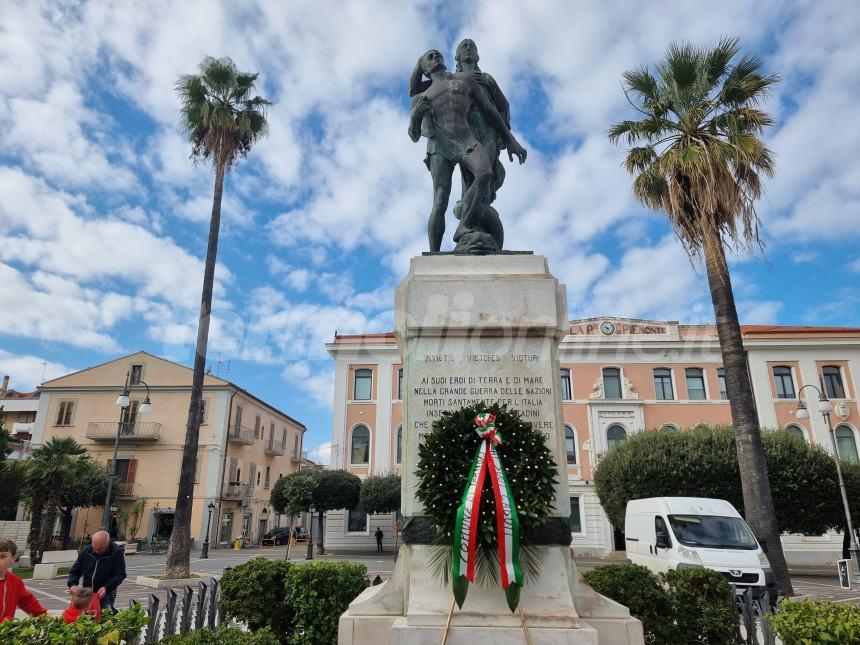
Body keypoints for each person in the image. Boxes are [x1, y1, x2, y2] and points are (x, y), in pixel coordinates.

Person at [408, 49, 526, 253]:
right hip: (439, 145)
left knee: (485, 173)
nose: (435, 58)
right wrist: (415, 117)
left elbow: (490, 110)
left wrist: (511, 140)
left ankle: (465, 223)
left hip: (465, 140)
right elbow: (414, 135)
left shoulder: (465, 81)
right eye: (429, 57)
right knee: (440, 200)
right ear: (423, 69)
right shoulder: (421, 96)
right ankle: (434, 254)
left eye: (437, 55)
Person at [67, 530, 127, 611]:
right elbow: (75, 570)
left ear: (108, 543)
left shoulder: (116, 552)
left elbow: (120, 574)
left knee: (104, 613)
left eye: (100, 548)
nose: (96, 551)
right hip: (87, 591)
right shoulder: (86, 551)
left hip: (106, 591)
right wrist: (72, 584)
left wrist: (106, 587)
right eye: (94, 547)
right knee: (85, 615)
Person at [0, 539, 47, 622]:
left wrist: (46, 619)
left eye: (3, 556)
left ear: (13, 558)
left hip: (5, 632)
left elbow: (27, 601)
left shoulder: (15, 581)